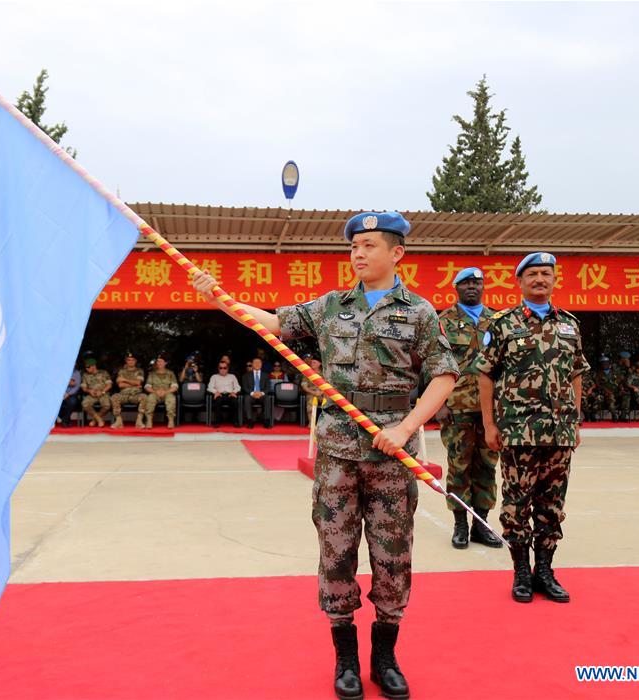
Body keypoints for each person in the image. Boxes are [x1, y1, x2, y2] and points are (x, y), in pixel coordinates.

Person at [193, 211, 458, 700]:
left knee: (393, 558)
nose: (358, 253)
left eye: (370, 245)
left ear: (397, 253)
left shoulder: (419, 312)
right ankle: (346, 660)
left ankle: (385, 657)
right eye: (354, 245)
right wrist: (221, 300)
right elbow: (273, 322)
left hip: (391, 454)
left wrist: (405, 428)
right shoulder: (331, 306)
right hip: (338, 452)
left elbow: (443, 374)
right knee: (336, 555)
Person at [474, 252, 588, 605]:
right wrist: (489, 424)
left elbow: (576, 375)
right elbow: (485, 375)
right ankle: (521, 572)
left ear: (554, 280)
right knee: (516, 505)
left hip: (559, 433)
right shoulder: (503, 324)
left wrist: (575, 420)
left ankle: (546, 571)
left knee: (552, 505)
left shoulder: (569, 325)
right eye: (533, 274)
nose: (540, 279)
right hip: (518, 432)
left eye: (546, 274)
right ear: (520, 282)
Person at [434, 266, 501, 549]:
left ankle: (481, 525)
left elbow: (505, 365)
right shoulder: (443, 321)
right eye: (466, 283)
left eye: (477, 282)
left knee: (486, 466)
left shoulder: (497, 321)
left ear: (483, 286)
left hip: (491, 409)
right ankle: (460, 524)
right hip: (456, 406)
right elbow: (432, 363)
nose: (472, 287)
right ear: (456, 288)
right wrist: (438, 403)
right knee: (459, 467)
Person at [111, 352, 146, 429]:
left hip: (136, 395)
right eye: (129, 360)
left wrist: (124, 380)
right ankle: (118, 421)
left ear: (135, 361)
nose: (131, 362)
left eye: (132, 360)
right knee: (114, 397)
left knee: (144, 397)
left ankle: (139, 421)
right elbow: (120, 385)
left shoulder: (140, 371)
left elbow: (138, 382)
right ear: (126, 361)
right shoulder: (121, 371)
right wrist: (134, 383)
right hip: (124, 394)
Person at [143, 355, 178, 429]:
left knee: (171, 399)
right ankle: (149, 420)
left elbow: (175, 387)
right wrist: (155, 392)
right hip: (155, 393)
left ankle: (171, 420)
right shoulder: (152, 374)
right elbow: (147, 386)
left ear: (165, 363)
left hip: (167, 393)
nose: (158, 363)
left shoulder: (170, 373)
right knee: (150, 398)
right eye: (157, 361)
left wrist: (166, 392)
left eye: (161, 361)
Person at [207, 361, 241, 427]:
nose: (222, 369)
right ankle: (217, 422)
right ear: (218, 368)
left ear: (228, 368)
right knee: (218, 400)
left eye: (224, 368)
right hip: (219, 394)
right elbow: (209, 387)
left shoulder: (232, 376)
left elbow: (238, 387)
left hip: (230, 394)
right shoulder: (214, 376)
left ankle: (235, 421)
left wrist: (234, 392)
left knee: (235, 401)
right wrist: (215, 392)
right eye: (221, 368)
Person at [80, 357, 112, 427]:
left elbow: (109, 385)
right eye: (86, 367)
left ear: (94, 366)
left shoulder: (104, 373)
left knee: (107, 405)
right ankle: (99, 419)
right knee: (85, 403)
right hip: (92, 394)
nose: (86, 369)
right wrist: (89, 391)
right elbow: (83, 387)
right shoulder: (85, 375)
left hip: (103, 393)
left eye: (88, 367)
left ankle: (94, 420)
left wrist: (102, 392)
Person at [242, 357, 271, 428]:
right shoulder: (246, 375)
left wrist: (261, 393)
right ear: (252, 364)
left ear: (261, 364)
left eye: (259, 362)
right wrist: (253, 393)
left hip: (262, 395)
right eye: (255, 362)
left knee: (267, 398)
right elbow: (245, 387)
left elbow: (268, 387)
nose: (257, 364)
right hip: (251, 395)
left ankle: (266, 420)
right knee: (247, 398)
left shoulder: (266, 375)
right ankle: (250, 420)